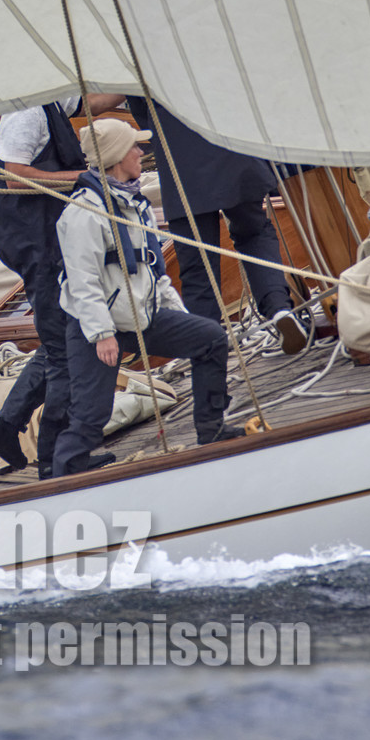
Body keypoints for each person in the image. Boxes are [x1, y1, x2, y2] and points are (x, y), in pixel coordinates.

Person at [55, 118, 241, 478]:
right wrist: (101, 334)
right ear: (114, 158)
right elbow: (82, 283)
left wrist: (178, 314)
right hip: (97, 325)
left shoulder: (135, 205)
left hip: (142, 314)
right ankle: (66, 474)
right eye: (133, 147)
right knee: (90, 414)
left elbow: (154, 271)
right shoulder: (82, 216)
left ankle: (211, 427)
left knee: (210, 338)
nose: (140, 153)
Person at [0, 93, 123, 479]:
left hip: (50, 237)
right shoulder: (24, 112)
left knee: (64, 337)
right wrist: (79, 179)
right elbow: (14, 175)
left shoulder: (51, 98)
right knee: (64, 351)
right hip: (35, 241)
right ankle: (57, 458)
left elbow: (90, 101)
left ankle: (5, 427)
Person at [127, 96, 305, 354]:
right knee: (254, 233)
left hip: (182, 167)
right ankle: (279, 309)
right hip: (232, 155)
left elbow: (128, 103)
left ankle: (208, 349)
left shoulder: (138, 59)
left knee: (197, 266)